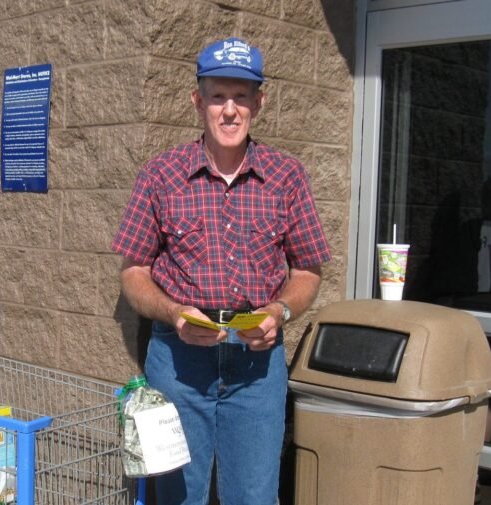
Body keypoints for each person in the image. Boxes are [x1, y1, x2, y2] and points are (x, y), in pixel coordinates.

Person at [111, 37, 331, 505]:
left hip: (257, 364)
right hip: (178, 362)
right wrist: (172, 312)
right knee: (175, 497)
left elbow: (308, 270)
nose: (229, 110)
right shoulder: (160, 175)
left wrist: (279, 311)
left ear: (259, 102)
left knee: (253, 497)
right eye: (217, 96)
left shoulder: (286, 176)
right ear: (198, 101)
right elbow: (133, 272)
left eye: (241, 97)